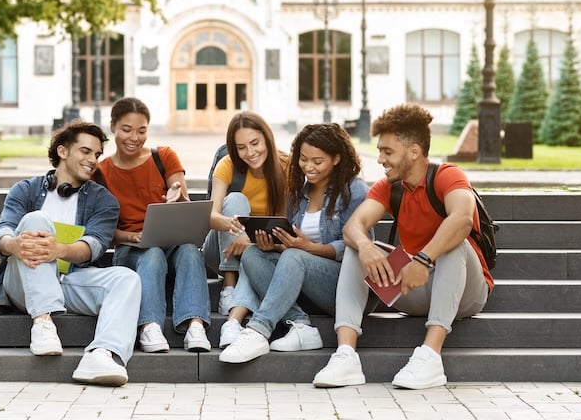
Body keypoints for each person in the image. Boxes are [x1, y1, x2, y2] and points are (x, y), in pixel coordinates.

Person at [312, 103, 493, 390]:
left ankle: (431, 357)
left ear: (414, 152)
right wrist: (367, 246)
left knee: (454, 243)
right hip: (415, 288)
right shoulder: (389, 186)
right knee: (358, 248)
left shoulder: (448, 175)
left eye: (387, 151)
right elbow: (352, 227)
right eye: (380, 150)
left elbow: (461, 220)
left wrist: (422, 260)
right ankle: (346, 356)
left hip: (466, 292)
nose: (381, 159)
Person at [0, 120, 141, 387]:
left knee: (127, 279)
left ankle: (103, 354)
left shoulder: (103, 200)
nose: (92, 160)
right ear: (63, 151)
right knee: (36, 220)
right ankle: (43, 323)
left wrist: (59, 250)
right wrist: (15, 245)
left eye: (96, 154)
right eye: (85, 151)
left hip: (69, 281)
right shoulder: (26, 190)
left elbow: (92, 247)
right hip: (22, 283)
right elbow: (1, 234)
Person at [219, 123, 368, 363]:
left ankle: (258, 329)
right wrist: (276, 244)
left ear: (337, 158)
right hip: (301, 283)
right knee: (253, 255)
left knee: (294, 256)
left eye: (317, 161)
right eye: (303, 159)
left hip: (342, 287)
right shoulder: (299, 192)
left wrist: (310, 249)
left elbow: (356, 246)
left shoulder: (355, 190)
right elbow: (293, 243)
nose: (308, 167)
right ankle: (300, 325)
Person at [96, 97, 212, 354]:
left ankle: (195, 324)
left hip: (171, 244)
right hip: (131, 250)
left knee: (190, 251)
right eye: (126, 129)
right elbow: (101, 231)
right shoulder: (101, 172)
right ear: (113, 126)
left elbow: (184, 201)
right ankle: (149, 326)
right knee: (151, 253)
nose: (134, 137)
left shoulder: (164, 156)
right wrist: (130, 236)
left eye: (141, 130)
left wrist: (178, 197)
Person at [201, 111, 287, 348]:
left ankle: (233, 324)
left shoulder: (286, 166)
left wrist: (250, 241)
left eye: (255, 143)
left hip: (262, 248)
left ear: (267, 139)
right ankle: (229, 286)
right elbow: (211, 215)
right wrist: (236, 228)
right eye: (241, 147)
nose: (250, 153)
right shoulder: (227, 164)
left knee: (254, 255)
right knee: (236, 200)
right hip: (220, 248)